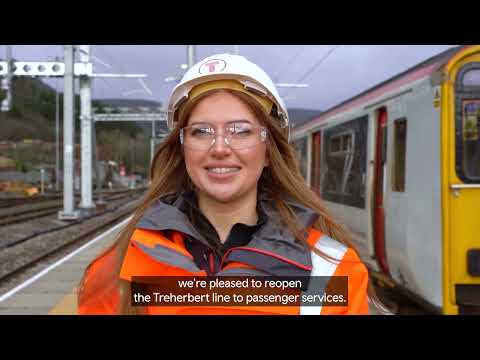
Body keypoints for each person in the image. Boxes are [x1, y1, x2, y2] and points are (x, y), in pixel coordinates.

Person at [78, 53, 372, 315]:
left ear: (269, 151)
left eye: (240, 131)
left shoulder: (333, 272)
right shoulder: (116, 269)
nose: (219, 147)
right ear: (182, 149)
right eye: (201, 131)